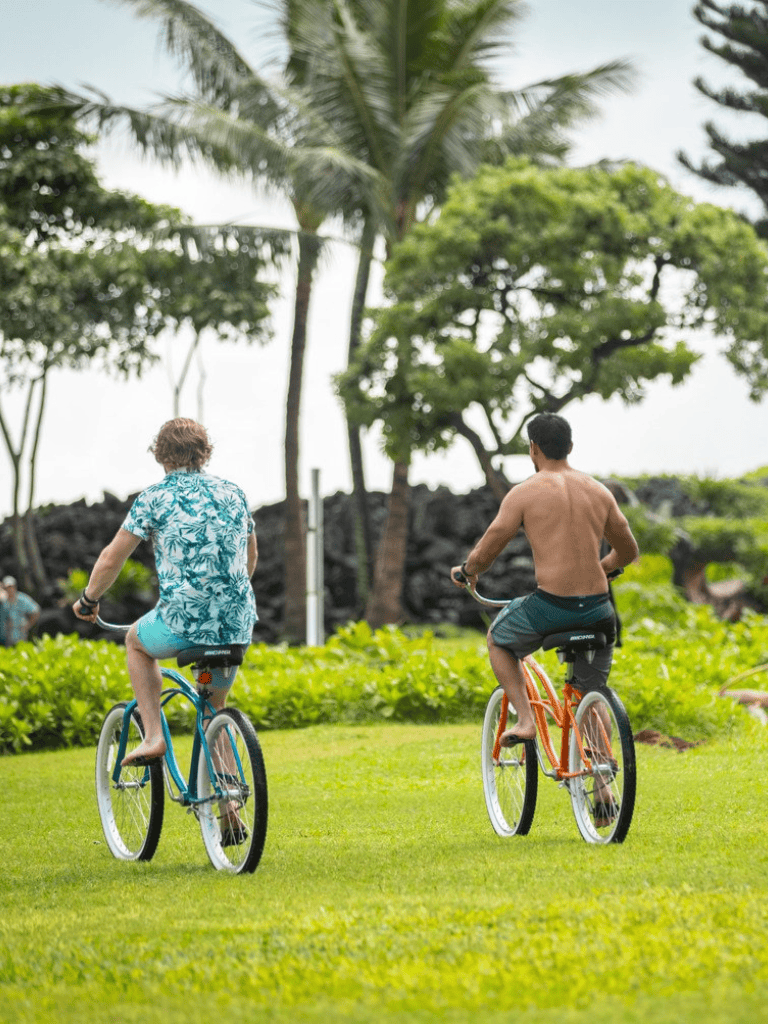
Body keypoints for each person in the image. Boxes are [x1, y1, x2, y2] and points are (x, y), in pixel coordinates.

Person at [73, 418, 258, 778]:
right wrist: (224, 600)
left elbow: (113, 557)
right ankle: (230, 805)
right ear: (205, 452)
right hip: (235, 622)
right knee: (213, 708)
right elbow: (250, 556)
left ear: (161, 456)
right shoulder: (234, 492)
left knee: (136, 642)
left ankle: (153, 736)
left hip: (183, 623)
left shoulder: (154, 498)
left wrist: (89, 598)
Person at [451, 412, 639, 750]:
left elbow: (490, 546)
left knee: (498, 639)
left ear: (533, 449)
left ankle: (525, 720)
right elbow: (628, 550)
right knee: (591, 695)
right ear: (570, 446)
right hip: (599, 609)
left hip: (552, 608)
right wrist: (604, 567)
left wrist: (469, 571)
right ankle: (603, 787)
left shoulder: (524, 493)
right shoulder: (599, 492)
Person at [0, 576, 41, 646]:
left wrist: (28, 625)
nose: (10, 589)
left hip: (20, 633)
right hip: (6, 636)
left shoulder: (22, 599)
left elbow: (36, 611)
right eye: (8, 587)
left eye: (11, 587)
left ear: (15, 587)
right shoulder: (3, 600)